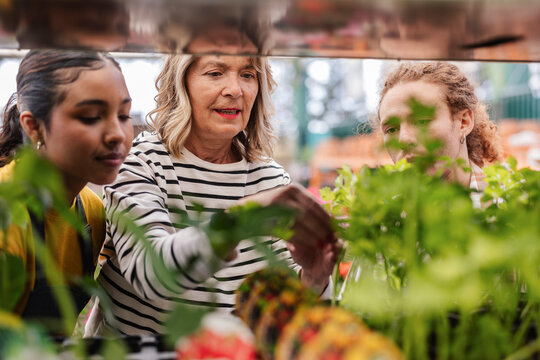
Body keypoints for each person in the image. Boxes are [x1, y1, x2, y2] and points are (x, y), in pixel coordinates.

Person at [85, 27, 340, 336]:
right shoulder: (142, 161)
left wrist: (313, 279)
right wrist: (236, 222)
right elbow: (152, 275)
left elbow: (279, 320)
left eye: (248, 74)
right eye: (216, 72)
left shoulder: (271, 180)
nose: (235, 89)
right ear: (182, 84)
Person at [0, 50, 133, 331]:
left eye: (123, 115)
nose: (118, 134)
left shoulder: (91, 211)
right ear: (34, 127)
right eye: (91, 116)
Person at [377, 61, 502, 193]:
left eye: (422, 122)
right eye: (392, 129)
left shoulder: (509, 204)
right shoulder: (381, 211)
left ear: (464, 122)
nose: (404, 140)